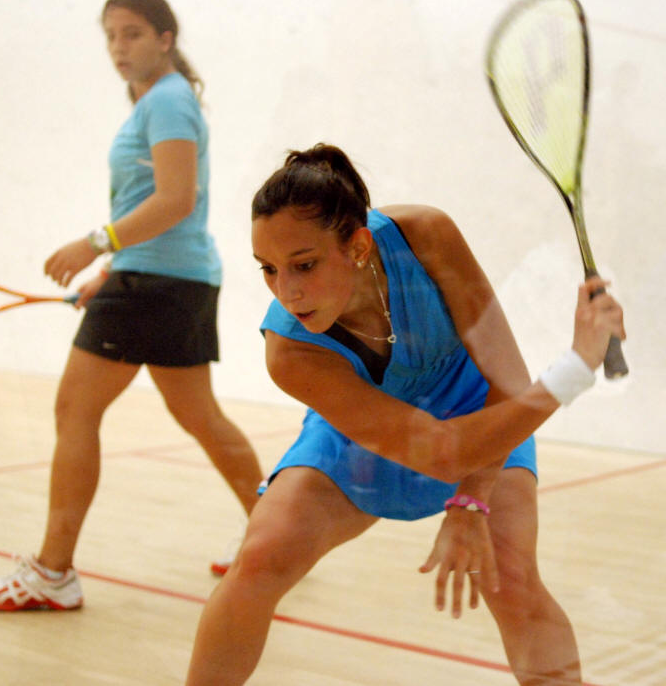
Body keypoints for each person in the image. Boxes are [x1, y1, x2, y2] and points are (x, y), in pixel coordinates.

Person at [184, 143, 625, 686]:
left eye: (304, 264)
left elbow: (507, 384)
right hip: (366, 440)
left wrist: (472, 500)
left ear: (358, 245)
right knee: (259, 558)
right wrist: (575, 368)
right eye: (269, 270)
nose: (287, 291)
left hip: (480, 407)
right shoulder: (290, 352)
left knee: (510, 578)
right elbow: (442, 453)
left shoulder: (426, 236)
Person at [0, 0, 263, 611]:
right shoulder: (164, 99)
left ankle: (52, 572)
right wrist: (111, 271)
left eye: (132, 34)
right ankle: (274, 531)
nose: (118, 48)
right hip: (173, 278)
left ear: (165, 37)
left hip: (157, 282)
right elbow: (159, 205)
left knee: (75, 409)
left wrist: (95, 244)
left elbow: (177, 199)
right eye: (111, 36)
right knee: (201, 416)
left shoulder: (167, 100)